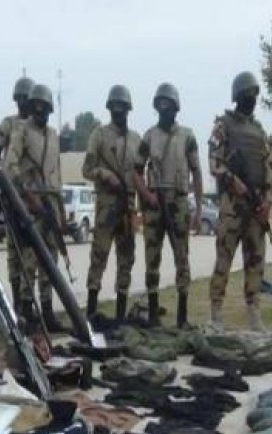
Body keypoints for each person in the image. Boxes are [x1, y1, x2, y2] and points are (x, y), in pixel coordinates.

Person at [208, 71, 272, 332]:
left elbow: (269, 169)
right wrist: (232, 181)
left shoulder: (259, 131)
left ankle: (254, 314)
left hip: (255, 207)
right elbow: (214, 162)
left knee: (256, 262)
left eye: (254, 94)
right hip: (232, 207)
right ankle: (216, 313)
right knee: (223, 261)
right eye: (248, 94)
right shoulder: (223, 125)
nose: (252, 99)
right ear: (238, 96)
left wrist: (267, 201)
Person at [133, 83, 202, 327]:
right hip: (154, 204)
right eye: (160, 105)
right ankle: (153, 315)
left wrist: (199, 209)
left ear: (175, 107)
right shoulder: (149, 136)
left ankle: (182, 317)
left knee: (182, 259)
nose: (164, 109)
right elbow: (136, 170)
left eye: (168, 104)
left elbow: (197, 172)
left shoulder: (187, 136)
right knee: (152, 259)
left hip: (179, 203)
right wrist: (146, 195)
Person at [5, 83, 65, 332]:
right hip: (29, 203)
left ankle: (47, 311)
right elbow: (10, 167)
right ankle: (27, 311)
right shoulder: (21, 131)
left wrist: (61, 211)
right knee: (29, 259)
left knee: (50, 259)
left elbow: (57, 173)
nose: (40, 110)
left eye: (44, 106)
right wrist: (28, 197)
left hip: (51, 202)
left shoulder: (53, 135)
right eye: (36, 106)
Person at [82, 85, 140, 320]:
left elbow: (140, 173)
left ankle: (120, 316)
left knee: (126, 259)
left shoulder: (135, 139)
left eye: (122, 106)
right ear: (109, 108)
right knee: (99, 257)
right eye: (115, 106)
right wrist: (105, 175)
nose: (118, 110)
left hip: (128, 206)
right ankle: (91, 313)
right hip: (107, 204)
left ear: (128, 108)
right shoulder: (99, 135)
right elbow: (87, 169)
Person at [0, 76, 34, 310]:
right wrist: (4, 177)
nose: (23, 102)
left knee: (32, 252)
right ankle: (18, 303)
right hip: (13, 194)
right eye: (20, 98)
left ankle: (29, 302)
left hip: (34, 196)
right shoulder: (9, 124)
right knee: (15, 251)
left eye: (26, 98)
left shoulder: (39, 129)